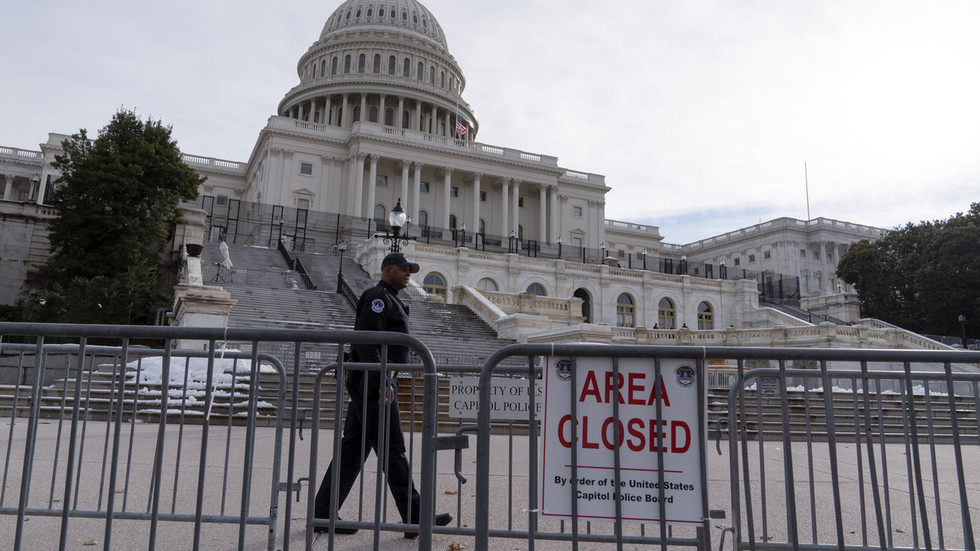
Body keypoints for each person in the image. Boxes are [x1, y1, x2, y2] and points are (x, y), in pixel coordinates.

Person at [313, 252, 452, 538]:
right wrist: (381, 379)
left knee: (351, 452)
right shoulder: (378, 297)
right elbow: (367, 341)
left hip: (372, 384)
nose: (408, 273)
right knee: (393, 450)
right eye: (403, 269)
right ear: (387, 270)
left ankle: (323, 514)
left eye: (409, 270)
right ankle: (415, 517)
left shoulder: (390, 298)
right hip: (374, 387)